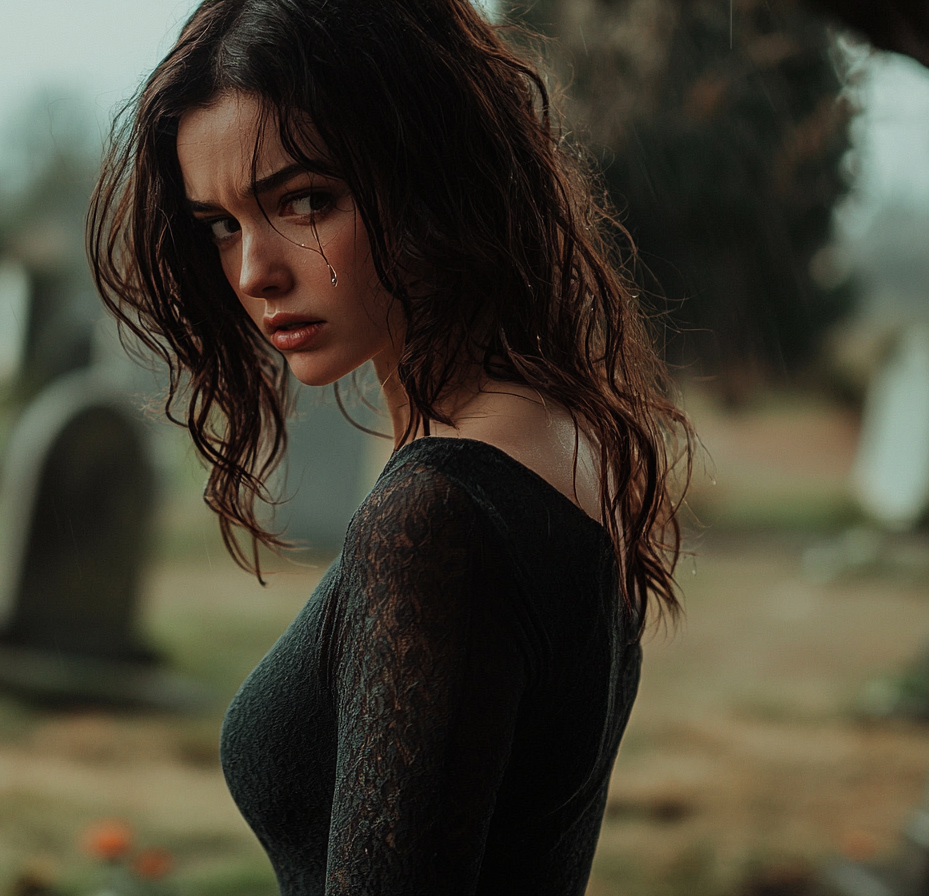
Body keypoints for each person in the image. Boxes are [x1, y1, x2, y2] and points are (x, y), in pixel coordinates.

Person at [89, 1, 692, 892]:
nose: (255, 271)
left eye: (304, 200)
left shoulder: (437, 514)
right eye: (221, 224)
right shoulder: (560, 433)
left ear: (428, 170)